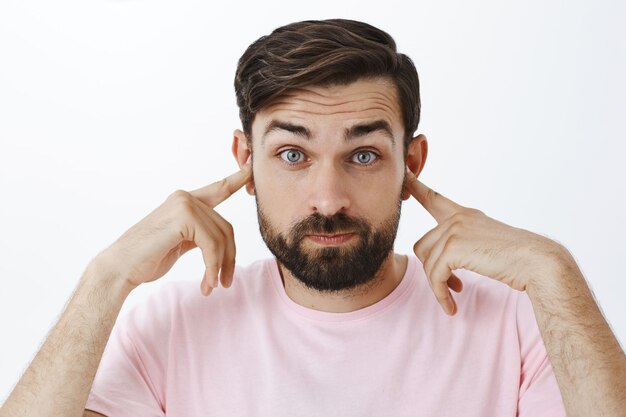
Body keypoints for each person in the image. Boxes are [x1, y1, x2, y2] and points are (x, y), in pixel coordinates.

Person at [1, 18, 624, 417]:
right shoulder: (171, 328)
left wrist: (553, 271)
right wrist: (105, 277)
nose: (328, 198)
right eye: (293, 154)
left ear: (411, 163)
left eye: (363, 154)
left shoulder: (522, 320)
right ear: (246, 160)